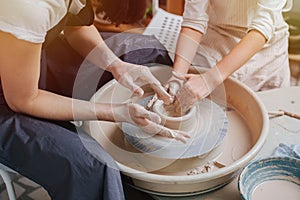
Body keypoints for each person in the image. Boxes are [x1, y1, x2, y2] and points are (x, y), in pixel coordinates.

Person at [0, 0, 189, 199]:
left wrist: (117, 66)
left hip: (28, 57)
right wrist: (114, 111)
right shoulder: (31, 9)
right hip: (9, 101)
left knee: (146, 50)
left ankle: (134, 184)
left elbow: (76, 26)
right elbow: (24, 100)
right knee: (92, 167)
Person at [165, 0, 292, 113]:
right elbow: (194, 21)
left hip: (266, 49)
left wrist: (209, 80)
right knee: (205, 110)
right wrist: (177, 75)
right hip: (217, 36)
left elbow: (262, 27)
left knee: (271, 113)